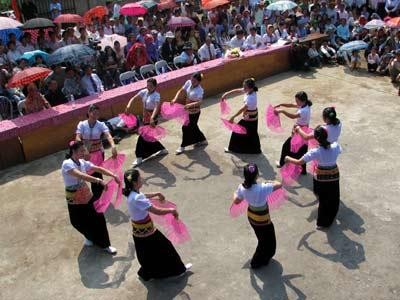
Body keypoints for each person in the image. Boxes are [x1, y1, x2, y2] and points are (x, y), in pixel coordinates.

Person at [123, 168, 191, 281]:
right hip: (147, 232)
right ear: (135, 182)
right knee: (166, 248)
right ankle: (179, 270)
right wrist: (171, 210)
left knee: (147, 255)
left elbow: (142, 196)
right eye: (140, 178)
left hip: (138, 231)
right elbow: (156, 211)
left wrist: (157, 194)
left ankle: (146, 273)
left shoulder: (131, 193)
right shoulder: (137, 197)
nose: (142, 179)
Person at [62, 140, 119, 254]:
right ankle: (90, 236)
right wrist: (98, 180)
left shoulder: (82, 162)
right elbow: (80, 175)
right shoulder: (67, 163)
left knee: (98, 217)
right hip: (73, 197)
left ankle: (105, 245)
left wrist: (113, 175)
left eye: (84, 150)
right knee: (77, 221)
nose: (84, 152)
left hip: (86, 194)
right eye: (81, 150)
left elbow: (97, 168)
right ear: (74, 151)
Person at [284, 126, 342, 229]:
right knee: (334, 197)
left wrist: (288, 158)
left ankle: (323, 223)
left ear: (316, 138)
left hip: (322, 176)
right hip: (334, 175)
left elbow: (299, 162)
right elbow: (338, 150)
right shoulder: (335, 146)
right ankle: (332, 216)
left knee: (324, 200)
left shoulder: (316, 152)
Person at [232, 163, 282, 268]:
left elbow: (236, 201)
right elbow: (279, 184)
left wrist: (235, 193)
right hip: (263, 218)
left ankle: (263, 257)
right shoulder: (263, 187)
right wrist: (269, 181)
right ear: (257, 175)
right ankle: (256, 261)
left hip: (251, 216)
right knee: (266, 240)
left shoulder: (242, 187)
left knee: (261, 237)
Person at [75, 104, 118, 199]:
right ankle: (100, 191)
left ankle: (98, 195)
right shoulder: (82, 124)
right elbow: (78, 138)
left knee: (97, 172)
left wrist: (113, 146)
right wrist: (84, 150)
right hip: (85, 154)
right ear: (88, 113)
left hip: (98, 153)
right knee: (88, 173)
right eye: (93, 113)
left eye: (97, 114)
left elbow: (108, 135)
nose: (95, 115)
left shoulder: (101, 124)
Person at [125, 78, 168, 167]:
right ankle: (162, 149)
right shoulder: (144, 92)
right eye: (147, 85)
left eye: (151, 86)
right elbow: (134, 98)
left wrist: (152, 118)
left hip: (152, 118)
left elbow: (156, 107)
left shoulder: (156, 95)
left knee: (142, 137)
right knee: (148, 137)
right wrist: (128, 106)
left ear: (155, 86)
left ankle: (139, 157)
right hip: (145, 117)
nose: (148, 87)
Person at [275, 91, 313, 175]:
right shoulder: (305, 105)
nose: (296, 102)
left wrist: (282, 111)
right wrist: (281, 104)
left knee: (286, 146)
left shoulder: (303, 111)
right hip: (304, 129)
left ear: (302, 100)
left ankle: (282, 163)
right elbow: (291, 104)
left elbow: (293, 116)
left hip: (300, 130)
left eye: (297, 101)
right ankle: (302, 170)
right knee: (301, 150)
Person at [222, 78, 262, 154]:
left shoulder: (251, 98)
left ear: (250, 88)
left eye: (245, 87)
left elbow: (242, 109)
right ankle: (256, 150)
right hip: (252, 115)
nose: (243, 88)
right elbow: (238, 90)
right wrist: (227, 93)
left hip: (249, 117)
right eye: (243, 86)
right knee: (252, 133)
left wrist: (233, 117)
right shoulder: (250, 91)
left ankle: (232, 148)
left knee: (237, 130)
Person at [172, 72, 207, 154]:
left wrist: (189, 105)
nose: (192, 82)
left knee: (185, 128)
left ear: (199, 82)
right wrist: (175, 99)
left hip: (195, 112)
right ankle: (202, 140)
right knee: (193, 127)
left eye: (194, 81)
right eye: (192, 80)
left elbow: (199, 102)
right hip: (187, 110)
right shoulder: (188, 82)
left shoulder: (200, 90)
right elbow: (181, 90)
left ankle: (182, 146)